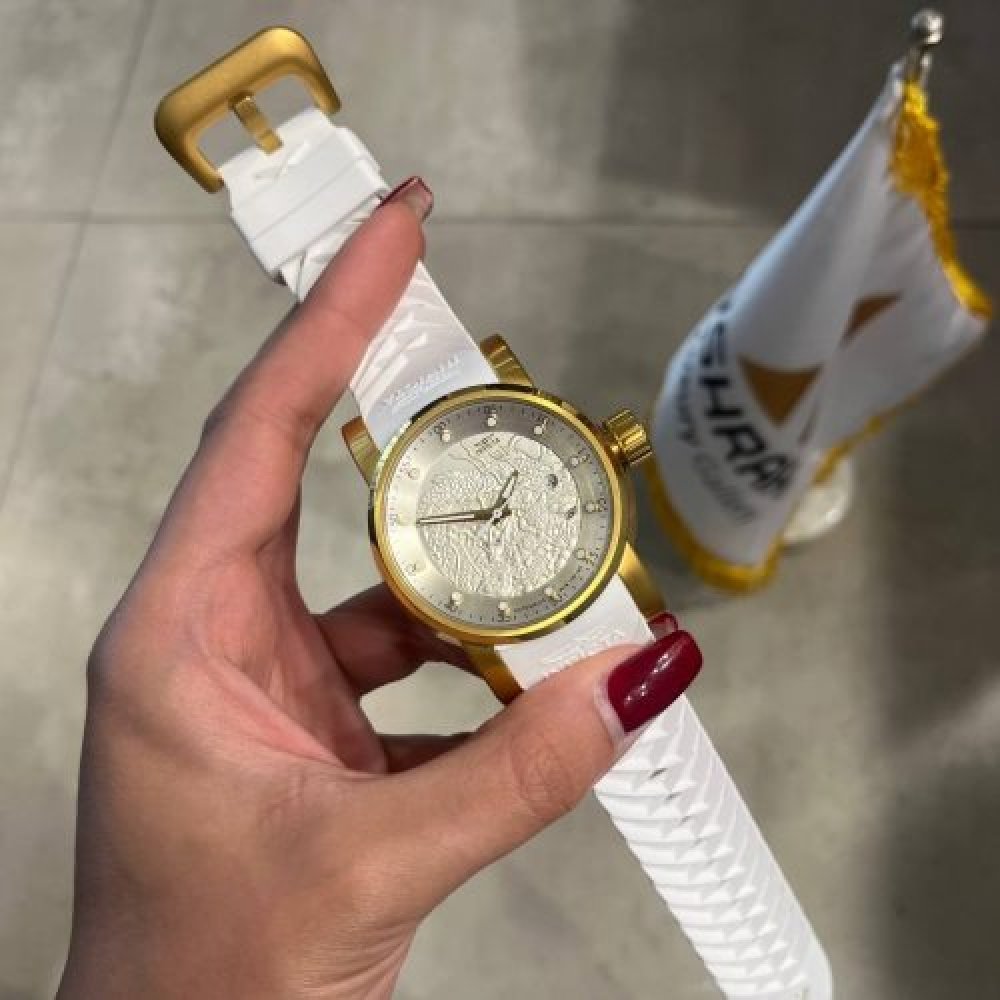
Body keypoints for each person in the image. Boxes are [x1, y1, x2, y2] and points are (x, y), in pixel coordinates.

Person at [56, 177, 702, 999]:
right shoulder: (404, 456)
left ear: (612, 446)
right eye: (489, 506)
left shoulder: (445, 437)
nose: (498, 510)